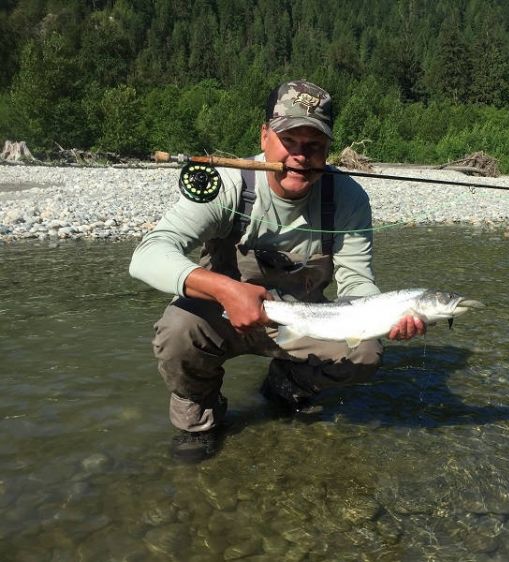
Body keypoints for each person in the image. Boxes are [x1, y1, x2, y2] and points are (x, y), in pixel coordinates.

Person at [130, 79, 425, 462]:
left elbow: (355, 280)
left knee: (365, 353)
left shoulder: (348, 198)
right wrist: (224, 289)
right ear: (265, 136)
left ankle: (286, 384)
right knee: (176, 331)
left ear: (327, 149)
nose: (301, 156)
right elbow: (148, 254)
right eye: (290, 140)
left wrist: (383, 317)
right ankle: (197, 417)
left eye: (314, 145)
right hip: (221, 316)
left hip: (301, 322)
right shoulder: (230, 184)